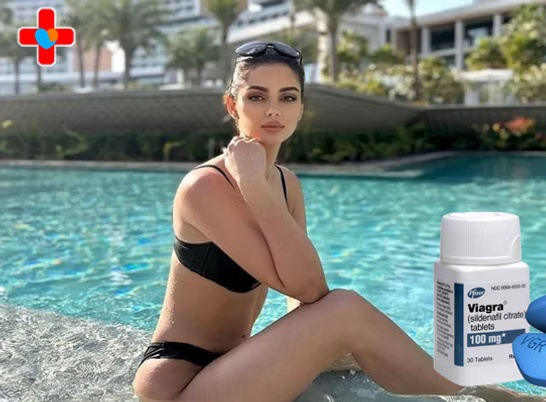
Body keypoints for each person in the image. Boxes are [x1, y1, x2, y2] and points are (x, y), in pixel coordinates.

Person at [132, 40, 463, 401]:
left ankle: (454, 386)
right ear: (232, 104)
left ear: (301, 108)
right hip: (179, 383)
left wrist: (325, 344)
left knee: (343, 317)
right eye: (257, 97)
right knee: (345, 309)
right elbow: (311, 289)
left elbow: (301, 295)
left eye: (287, 97)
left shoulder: (287, 184)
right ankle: (461, 390)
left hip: (235, 367)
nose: (273, 110)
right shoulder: (205, 187)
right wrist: (252, 186)